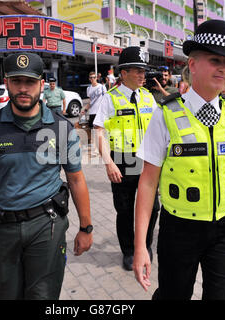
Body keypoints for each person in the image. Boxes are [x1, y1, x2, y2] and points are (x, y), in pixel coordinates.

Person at [0, 53, 93, 300]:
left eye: (30, 82)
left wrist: (86, 227)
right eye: (16, 82)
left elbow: (76, 178)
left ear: (41, 83)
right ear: (6, 82)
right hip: (2, 230)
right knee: (6, 295)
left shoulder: (60, 127)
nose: (23, 88)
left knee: (43, 297)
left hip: (47, 225)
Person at [133, 19, 225, 300]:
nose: (224, 68)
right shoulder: (165, 115)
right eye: (215, 60)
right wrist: (141, 246)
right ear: (192, 64)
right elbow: (148, 183)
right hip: (180, 228)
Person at [94, 46, 160, 271]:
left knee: (153, 208)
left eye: (144, 71)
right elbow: (99, 132)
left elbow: (160, 129)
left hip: (148, 161)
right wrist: (108, 162)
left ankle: (145, 245)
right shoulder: (110, 99)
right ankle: (129, 251)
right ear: (123, 73)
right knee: (124, 210)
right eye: (137, 70)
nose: (143, 75)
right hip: (122, 161)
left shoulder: (148, 97)